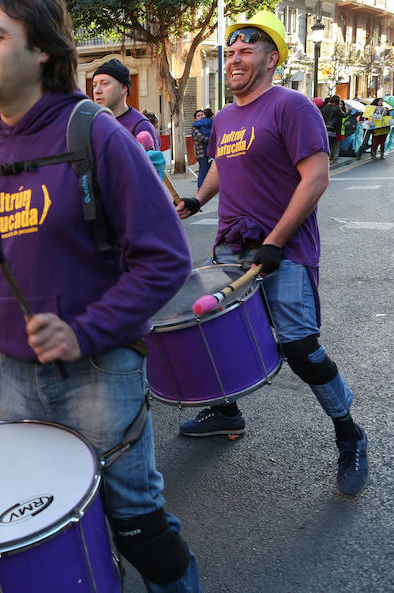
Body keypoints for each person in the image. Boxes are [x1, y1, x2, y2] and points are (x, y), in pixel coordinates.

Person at [0, 3, 201, 591]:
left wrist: (83, 331)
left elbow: (164, 259)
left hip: (100, 371)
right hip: (12, 379)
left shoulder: (96, 134)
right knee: (50, 528)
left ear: (41, 51)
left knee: (139, 527)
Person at [175, 11, 368, 497]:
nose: (235, 58)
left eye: (246, 50)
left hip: (284, 247)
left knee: (300, 346)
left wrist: (276, 241)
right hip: (232, 247)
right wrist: (197, 199)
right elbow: (223, 163)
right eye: (231, 51)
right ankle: (226, 413)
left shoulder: (292, 106)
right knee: (218, 335)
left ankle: (350, 434)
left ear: (271, 58)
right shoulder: (223, 118)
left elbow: (316, 177)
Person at [91, 58, 160, 149]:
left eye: (105, 83)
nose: (97, 91)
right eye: (95, 85)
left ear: (124, 88)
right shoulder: (93, 125)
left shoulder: (142, 127)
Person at [192, 108, 213, 188]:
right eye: (198, 115)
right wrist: (213, 139)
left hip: (209, 153)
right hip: (201, 154)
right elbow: (202, 138)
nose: (200, 117)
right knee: (203, 172)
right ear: (195, 118)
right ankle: (200, 189)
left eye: (202, 115)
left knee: (208, 172)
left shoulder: (206, 124)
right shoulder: (195, 127)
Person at [321, 95, 345, 164]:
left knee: (327, 143)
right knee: (331, 144)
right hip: (332, 128)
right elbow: (343, 115)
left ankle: (325, 158)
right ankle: (329, 159)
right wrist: (350, 112)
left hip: (325, 127)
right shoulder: (336, 108)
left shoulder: (326, 107)